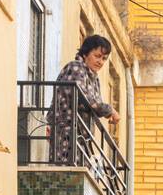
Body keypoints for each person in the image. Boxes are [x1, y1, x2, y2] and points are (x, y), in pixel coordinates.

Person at [49, 35, 120, 165]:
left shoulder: (94, 78)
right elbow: (85, 99)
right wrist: (110, 110)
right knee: (68, 171)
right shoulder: (76, 67)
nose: (101, 62)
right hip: (66, 133)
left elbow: (95, 106)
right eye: (97, 56)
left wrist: (106, 110)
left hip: (81, 138)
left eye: (104, 58)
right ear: (86, 53)